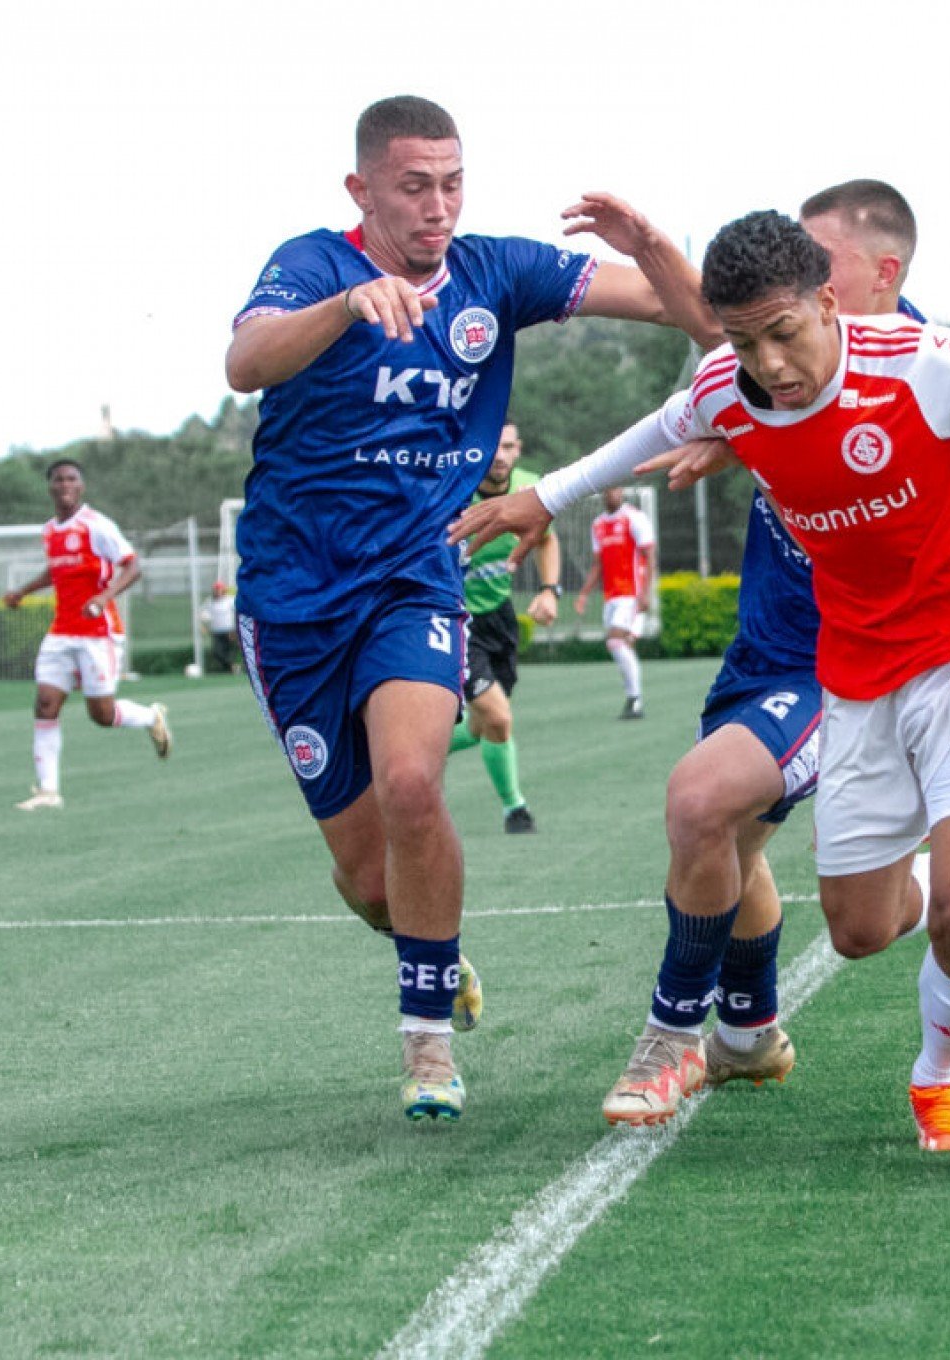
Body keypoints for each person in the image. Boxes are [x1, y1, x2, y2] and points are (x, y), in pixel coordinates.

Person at [456, 209, 950, 1151]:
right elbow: (639, 438)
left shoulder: (921, 360)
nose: (770, 362)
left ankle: (938, 1081)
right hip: (856, 674)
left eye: (785, 333)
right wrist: (541, 497)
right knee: (861, 930)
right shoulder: (729, 390)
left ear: (829, 300)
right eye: (746, 341)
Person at [223, 94, 714, 1123]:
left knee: (412, 781)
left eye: (452, 182)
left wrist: (652, 245)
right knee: (368, 883)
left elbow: (697, 315)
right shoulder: (313, 265)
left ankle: (427, 1046)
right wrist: (346, 309)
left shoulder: (499, 272)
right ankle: (437, 954)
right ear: (362, 189)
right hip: (293, 594)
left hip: (417, 573)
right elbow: (245, 364)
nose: (437, 205)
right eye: (413, 185)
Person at [584, 180, 932, 1127]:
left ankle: (670, 1041)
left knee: (704, 803)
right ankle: (749, 1036)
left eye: (821, 264)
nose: (804, 279)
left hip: (849, 664)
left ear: (873, 277)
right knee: (745, 851)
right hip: (764, 649)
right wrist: (655, 246)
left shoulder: (922, 364)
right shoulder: (772, 361)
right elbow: (715, 333)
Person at [1, 458, 171, 811]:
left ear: (81, 486)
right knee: (46, 704)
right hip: (61, 632)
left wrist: (104, 596)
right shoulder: (50, 531)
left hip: (98, 633)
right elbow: (56, 570)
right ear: (50, 487)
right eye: (59, 479)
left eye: (72, 479)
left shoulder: (97, 526)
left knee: (102, 715)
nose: (65, 484)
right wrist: (22, 591)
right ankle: (49, 791)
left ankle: (151, 717)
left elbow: (133, 566)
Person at [449, 421, 560, 834]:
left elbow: (546, 539)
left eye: (508, 447)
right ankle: (516, 809)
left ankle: (405, 758)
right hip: (458, 621)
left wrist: (550, 590)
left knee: (483, 727)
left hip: (500, 617)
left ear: (518, 450)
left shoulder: (530, 489)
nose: (499, 456)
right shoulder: (455, 491)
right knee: (498, 718)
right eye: (492, 446)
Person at [574, 485, 655, 718]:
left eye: (617, 489)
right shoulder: (598, 525)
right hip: (611, 596)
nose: (613, 493)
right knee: (623, 644)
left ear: (622, 491)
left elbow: (650, 556)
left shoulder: (634, 518)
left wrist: (646, 593)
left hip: (631, 593)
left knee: (615, 642)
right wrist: (584, 593)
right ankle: (633, 700)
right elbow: (597, 564)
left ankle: (635, 699)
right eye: (608, 489)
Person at [198, 581, 239, 674]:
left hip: (229, 630)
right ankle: (231, 667)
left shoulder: (230, 600)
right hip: (216, 631)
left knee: (230, 650)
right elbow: (203, 614)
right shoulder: (209, 601)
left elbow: (237, 614)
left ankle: (231, 668)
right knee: (217, 652)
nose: (217, 592)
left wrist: (235, 629)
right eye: (215, 590)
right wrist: (203, 626)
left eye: (219, 589)